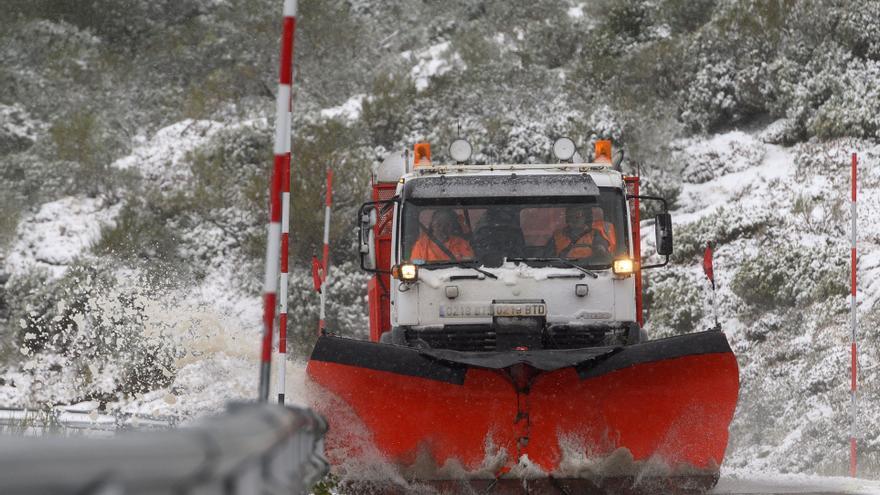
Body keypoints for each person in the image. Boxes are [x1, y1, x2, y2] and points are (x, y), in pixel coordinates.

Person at [550, 205, 617, 259]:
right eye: (570, 216)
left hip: (589, 270)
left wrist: (600, 250)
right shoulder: (557, 236)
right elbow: (546, 258)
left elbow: (603, 256)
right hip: (561, 270)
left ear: (586, 217)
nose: (574, 219)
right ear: (567, 218)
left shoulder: (595, 234)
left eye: (578, 215)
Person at [410, 209, 475, 262]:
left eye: (447, 225)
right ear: (432, 225)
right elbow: (417, 266)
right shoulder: (421, 245)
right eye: (439, 224)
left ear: (452, 227)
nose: (442, 228)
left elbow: (469, 263)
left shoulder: (461, 243)